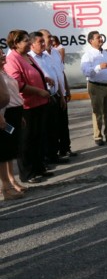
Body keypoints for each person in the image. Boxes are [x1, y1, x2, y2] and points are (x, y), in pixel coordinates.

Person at [4, 30, 53, 184]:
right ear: (16, 43)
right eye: (25, 40)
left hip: (39, 103)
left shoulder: (28, 56)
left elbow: (34, 73)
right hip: (27, 105)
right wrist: (39, 90)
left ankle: (39, 167)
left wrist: (44, 78)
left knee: (38, 137)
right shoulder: (12, 58)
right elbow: (16, 83)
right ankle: (27, 173)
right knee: (27, 140)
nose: (28, 43)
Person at [28, 31, 69, 167]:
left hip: (54, 96)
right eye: (41, 41)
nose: (45, 43)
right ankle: (44, 159)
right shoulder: (30, 59)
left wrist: (61, 95)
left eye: (44, 41)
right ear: (32, 44)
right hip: (41, 98)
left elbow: (57, 75)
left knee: (53, 129)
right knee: (43, 131)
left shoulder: (46, 56)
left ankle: (53, 155)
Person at [41, 29, 77, 159]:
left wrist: (66, 90)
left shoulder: (56, 53)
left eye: (51, 37)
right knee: (53, 126)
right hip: (50, 96)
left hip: (60, 92)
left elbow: (61, 73)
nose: (51, 39)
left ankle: (65, 148)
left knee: (63, 123)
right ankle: (53, 153)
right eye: (48, 37)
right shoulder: (40, 56)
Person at [81, 31, 107, 146]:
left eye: (101, 37)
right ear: (91, 41)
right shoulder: (87, 55)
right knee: (97, 112)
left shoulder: (106, 54)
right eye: (98, 38)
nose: (101, 39)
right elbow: (86, 72)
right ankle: (98, 136)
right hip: (95, 86)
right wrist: (99, 67)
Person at [0, 48, 27, 199]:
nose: (3, 55)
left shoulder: (4, 73)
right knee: (3, 152)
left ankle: (11, 181)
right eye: (0, 54)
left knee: (9, 150)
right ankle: (6, 187)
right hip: (4, 115)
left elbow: (13, 95)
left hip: (12, 114)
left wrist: (20, 115)